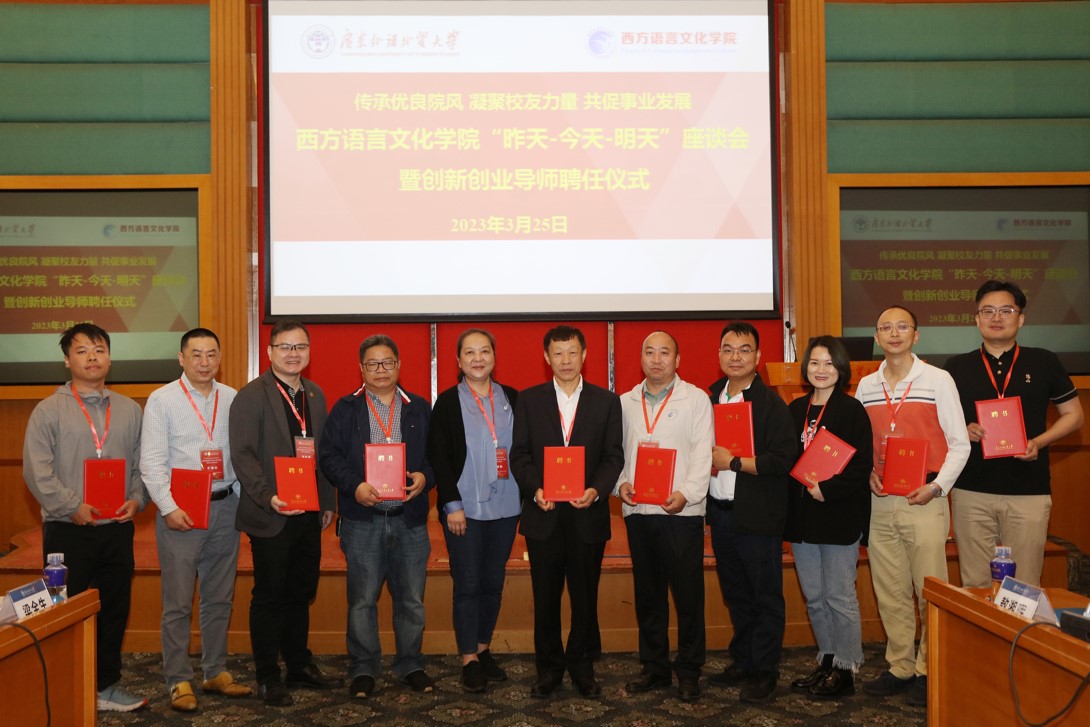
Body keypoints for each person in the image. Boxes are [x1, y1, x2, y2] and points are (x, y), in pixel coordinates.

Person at [22, 323, 149, 712]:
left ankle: (106, 686)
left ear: (109, 357)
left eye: (99, 349)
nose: (92, 357)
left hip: (117, 528)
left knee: (114, 609)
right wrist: (71, 505)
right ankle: (62, 687)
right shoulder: (48, 410)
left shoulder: (130, 409)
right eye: (81, 351)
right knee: (64, 610)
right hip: (67, 531)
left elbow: (142, 465)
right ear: (67, 360)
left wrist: (137, 499)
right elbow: (37, 472)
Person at [855, 306, 969, 708]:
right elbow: (859, 441)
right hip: (881, 499)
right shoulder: (866, 385)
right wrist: (867, 472)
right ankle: (900, 665)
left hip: (924, 498)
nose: (894, 333)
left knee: (929, 588)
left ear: (915, 335)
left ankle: (928, 668)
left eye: (902, 326)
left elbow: (960, 444)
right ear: (877, 337)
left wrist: (937, 488)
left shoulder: (938, 380)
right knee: (890, 589)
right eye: (885, 327)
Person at [318, 334, 436, 699]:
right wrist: (354, 486)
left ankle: (410, 663)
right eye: (372, 363)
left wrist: (425, 477)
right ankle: (364, 667)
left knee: (411, 599)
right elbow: (329, 456)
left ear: (399, 366)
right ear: (361, 368)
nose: (380, 369)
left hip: (409, 518)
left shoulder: (419, 407)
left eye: (387, 362)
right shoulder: (345, 409)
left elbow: (438, 457)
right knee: (362, 600)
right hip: (363, 520)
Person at [510, 325, 624, 699]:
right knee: (545, 598)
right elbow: (520, 455)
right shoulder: (529, 400)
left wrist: (596, 491)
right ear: (547, 358)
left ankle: (582, 666)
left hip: (587, 515)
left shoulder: (606, 402)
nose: (565, 360)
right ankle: (549, 669)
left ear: (584, 355)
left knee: (584, 598)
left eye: (572, 352)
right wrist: (535, 490)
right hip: (543, 515)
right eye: (557, 353)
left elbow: (613, 457)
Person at [230, 320, 341, 706]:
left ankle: (298, 665)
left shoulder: (315, 394)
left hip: (309, 511)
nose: (293, 354)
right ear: (270, 351)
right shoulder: (250, 396)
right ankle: (267, 676)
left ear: (308, 351)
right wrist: (268, 496)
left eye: (300, 347)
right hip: (272, 513)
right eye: (285, 347)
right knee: (270, 594)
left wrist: (328, 501)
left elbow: (322, 452)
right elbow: (243, 455)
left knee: (301, 590)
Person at [141, 328, 251, 711]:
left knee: (219, 597)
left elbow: (240, 456)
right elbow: (151, 461)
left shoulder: (233, 397)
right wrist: (168, 507)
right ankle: (177, 679)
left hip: (225, 506)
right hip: (182, 509)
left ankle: (215, 670)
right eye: (196, 354)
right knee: (178, 601)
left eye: (211, 354)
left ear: (220, 358)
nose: (204, 362)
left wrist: (243, 504)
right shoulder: (162, 400)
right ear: (182, 358)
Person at [946, 281, 1083, 589]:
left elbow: (1074, 415)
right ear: (977, 319)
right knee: (976, 584)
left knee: (1023, 584)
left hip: (1029, 490)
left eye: (1006, 310)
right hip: (971, 490)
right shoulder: (956, 367)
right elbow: (938, 422)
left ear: (1020, 318)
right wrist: (962, 429)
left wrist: (1039, 442)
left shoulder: (1044, 361)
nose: (996, 317)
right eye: (988, 311)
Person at [614, 331, 713, 702]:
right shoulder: (624, 403)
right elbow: (616, 453)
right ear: (641, 358)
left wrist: (686, 493)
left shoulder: (696, 399)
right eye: (650, 353)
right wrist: (620, 484)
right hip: (639, 511)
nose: (656, 360)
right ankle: (654, 667)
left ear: (677, 359)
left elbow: (703, 453)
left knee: (688, 597)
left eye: (664, 353)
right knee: (648, 596)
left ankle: (689, 670)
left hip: (681, 513)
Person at [705, 321, 796, 704]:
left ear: (758, 356)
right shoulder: (708, 398)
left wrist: (734, 462)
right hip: (720, 513)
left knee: (765, 596)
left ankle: (765, 671)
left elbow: (783, 459)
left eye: (744, 350)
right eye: (728, 349)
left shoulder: (771, 404)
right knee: (737, 594)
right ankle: (743, 660)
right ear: (719, 355)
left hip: (757, 515)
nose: (735, 357)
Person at [427, 329, 520, 692]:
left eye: (484, 351)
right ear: (459, 360)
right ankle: (468, 658)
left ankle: (483, 648)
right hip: (463, 510)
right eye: (470, 352)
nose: (478, 358)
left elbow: (523, 451)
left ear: (494, 357)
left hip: (506, 507)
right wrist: (451, 504)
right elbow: (440, 456)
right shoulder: (448, 402)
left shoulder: (512, 398)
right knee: (468, 582)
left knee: (493, 582)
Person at [785, 336, 873, 699]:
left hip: (838, 515)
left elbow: (861, 466)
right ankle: (827, 659)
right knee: (815, 597)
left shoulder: (852, 411)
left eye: (829, 363)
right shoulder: (795, 408)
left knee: (839, 597)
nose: (821, 370)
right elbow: (786, 459)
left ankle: (847, 668)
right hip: (803, 520)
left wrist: (829, 489)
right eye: (814, 363)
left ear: (841, 368)